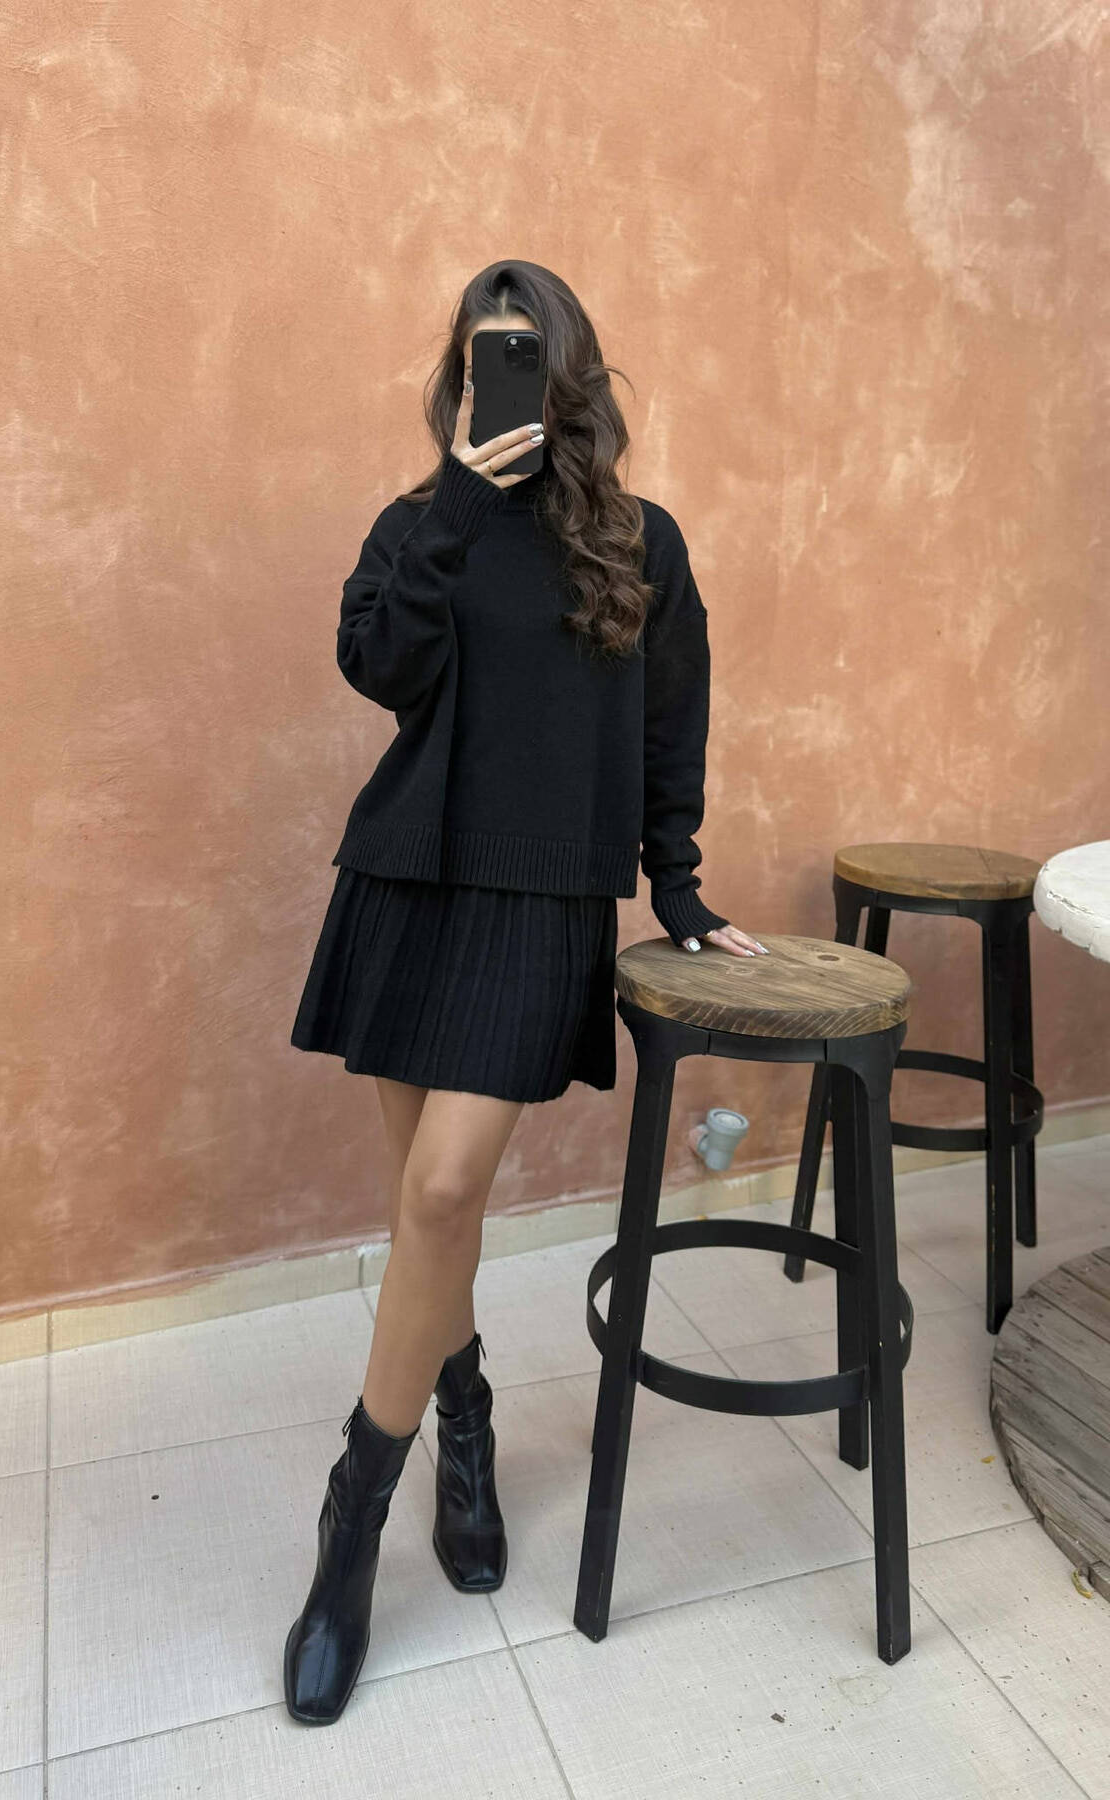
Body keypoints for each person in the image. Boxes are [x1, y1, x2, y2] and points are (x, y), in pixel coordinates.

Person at [283, 260, 767, 1724]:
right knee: (429, 1208)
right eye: (476, 355)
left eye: (523, 355)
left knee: (441, 1194)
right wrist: (452, 501)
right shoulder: (418, 523)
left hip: (544, 898)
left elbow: (673, 723)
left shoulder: (641, 542)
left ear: (568, 376)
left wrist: (677, 887)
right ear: (460, 377)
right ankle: (467, 1414)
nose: (496, 378)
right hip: (407, 884)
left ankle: (349, 1529)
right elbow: (379, 665)